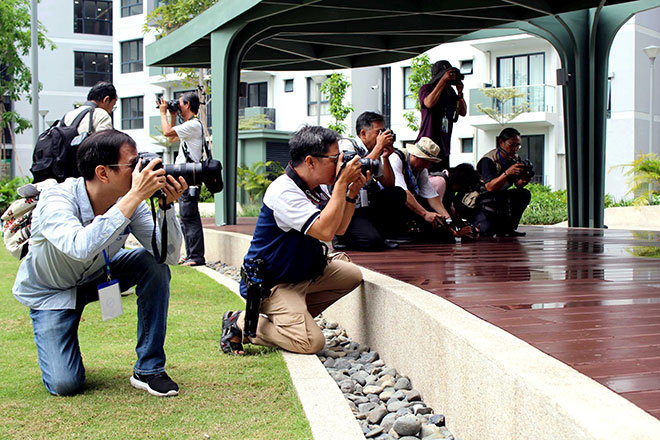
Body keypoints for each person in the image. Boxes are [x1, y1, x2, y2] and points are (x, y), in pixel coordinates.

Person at [13, 129, 187, 397]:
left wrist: (166, 209)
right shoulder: (57, 199)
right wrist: (133, 197)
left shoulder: (132, 202)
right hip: (52, 291)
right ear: (103, 172)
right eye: (133, 164)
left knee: (152, 264)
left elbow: (168, 256)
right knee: (65, 384)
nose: (141, 170)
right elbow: (79, 246)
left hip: (97, 276)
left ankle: (149, 369)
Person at [220, 125, 366, 355]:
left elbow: (340, 229)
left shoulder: (317, 188)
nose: (341, 163)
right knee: (311, 343)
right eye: (334, 158)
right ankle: (241, 322)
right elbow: (325, 233)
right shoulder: (284, 192)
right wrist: (339, 185)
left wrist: (350, 192)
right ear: (310, 161)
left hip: (304, 273)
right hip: (274, 284)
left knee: (352, 275)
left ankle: (292, 318)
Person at [333, 111, 407, 251]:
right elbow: (354, 171)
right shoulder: (346, 145)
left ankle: (380, 236)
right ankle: (343, 237)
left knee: (396, 193)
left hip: (365, 206)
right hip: (348, 207)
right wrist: (379, 147)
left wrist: (385, 157)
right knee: (371, 242)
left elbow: (388, 183)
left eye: (383, 132)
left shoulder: (374, 151)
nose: (382, 136)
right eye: (378, 132)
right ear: (363, 133)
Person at [159, 92, 206, 267]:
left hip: (189, 175)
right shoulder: (190, 125)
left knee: (189, 216)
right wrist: (172, 115)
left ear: (187, 105)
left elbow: (166, 132)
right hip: (186, 173)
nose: (177, 106)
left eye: (179, 104)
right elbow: (171, 138)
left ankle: (196, 257)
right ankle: (191, 255)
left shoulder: (193, 124)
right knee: (186, 216)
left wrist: (163, 112)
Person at [474, 127, 532, 237]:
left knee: (523, 194)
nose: (515, 149)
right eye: (512, 145)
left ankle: (509, 228)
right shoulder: (489, 160)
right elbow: (490, 187)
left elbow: (517, 184)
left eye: (518, 145)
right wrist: (507, 173)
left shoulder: (515, 158)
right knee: (486, 231)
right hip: (483, 197)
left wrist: (524, 180)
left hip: (501, 194)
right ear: (501, 142)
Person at [415, 60, 467, 171]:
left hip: (444, 146)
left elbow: (462, 112)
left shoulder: (450, 93)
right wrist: (442, 81)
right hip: (428, 145)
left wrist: (460, 94)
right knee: (429, 178)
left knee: (443, 178)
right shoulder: (426, 88)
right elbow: (428, 103)